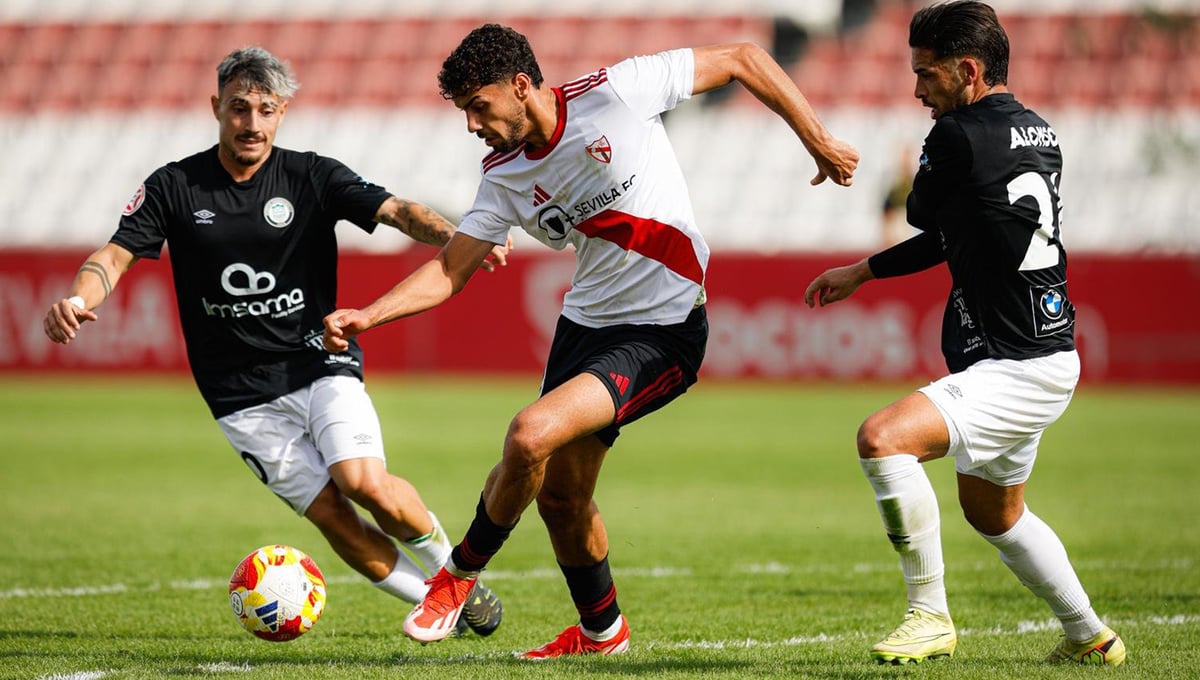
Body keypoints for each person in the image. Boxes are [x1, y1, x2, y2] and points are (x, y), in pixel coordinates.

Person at [321, 24, 858, 657]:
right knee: (561, 497)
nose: (471, 125)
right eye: (463, 112)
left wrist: (817, 140)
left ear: (521, 86)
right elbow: (449, 269)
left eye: (478, 106)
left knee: (529, 434)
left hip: (664, 331)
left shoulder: (619, 93)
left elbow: (742, 57)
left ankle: (457, 576)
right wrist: (369, 316)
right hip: (584, 329)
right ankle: (603, 633)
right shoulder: (503, 176)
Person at [42, 46, 508, 638]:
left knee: (362, 482)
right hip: (238, 396)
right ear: (217, 108)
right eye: (239, 108)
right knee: (334, 517)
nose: (252, 123)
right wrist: (80, 301)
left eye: (265, 109)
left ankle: (454, 581)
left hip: (320, 363)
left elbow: (398, 211)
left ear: (282, 112)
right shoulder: (174, 186)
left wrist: (461, 235)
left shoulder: (312, 175)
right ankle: (436, 603)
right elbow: (113, 255)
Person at [803, 1, 1124, 666]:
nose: (917, 89)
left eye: (927, 74)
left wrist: (909, 175)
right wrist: (865, 270)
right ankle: (1091, 635)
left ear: (970, 70)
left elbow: (920, 209)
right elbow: (956, 231)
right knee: (995, 515)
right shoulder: (1039, 131)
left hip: (1017, 366)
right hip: (1047, 353)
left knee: (882, 439)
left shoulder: (958, 136)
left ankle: (929, 614)